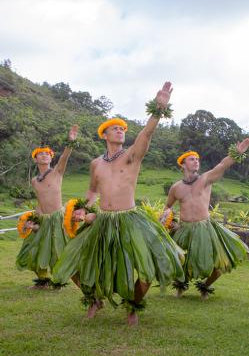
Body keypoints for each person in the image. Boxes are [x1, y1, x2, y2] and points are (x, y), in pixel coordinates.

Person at [53, 82, 184, 326]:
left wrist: (158, 109)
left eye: (122, 128)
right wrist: (85, 209)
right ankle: (93, 299)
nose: (120, 131)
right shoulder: (95, 164)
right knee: (72, 265)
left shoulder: (132, 155)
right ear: (104, 135)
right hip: (102, 219)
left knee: (147, 268)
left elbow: (146, 134)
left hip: (131, 219)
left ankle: (133, 305)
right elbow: (92, 191)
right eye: (114, 128)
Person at [161, 140, 249, 299]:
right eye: (192, 159)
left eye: (197, 159)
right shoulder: (176, 188)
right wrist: (167, 219)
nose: (196, 161)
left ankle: (205, 286)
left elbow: (222, 165)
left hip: (206, 227)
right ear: (183, 165)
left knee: (221, 262)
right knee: (181, 261)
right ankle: (181, 285)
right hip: (184, 229)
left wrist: (236, 153)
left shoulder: (206, 179)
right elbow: (167, 206)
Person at [16, 125, 79, 288]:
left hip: (58, 218)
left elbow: (64, 157)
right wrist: (32, 220)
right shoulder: (35, 181)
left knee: (59, 252)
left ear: (51, 158)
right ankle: (43, 281)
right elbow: (40, 200)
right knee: (32, 248)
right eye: (40, 154)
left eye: (47, 154)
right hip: (42, 219)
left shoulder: (57, 172)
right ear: (35, 159)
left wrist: (70, 142)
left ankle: (61, 280)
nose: (44, 155)